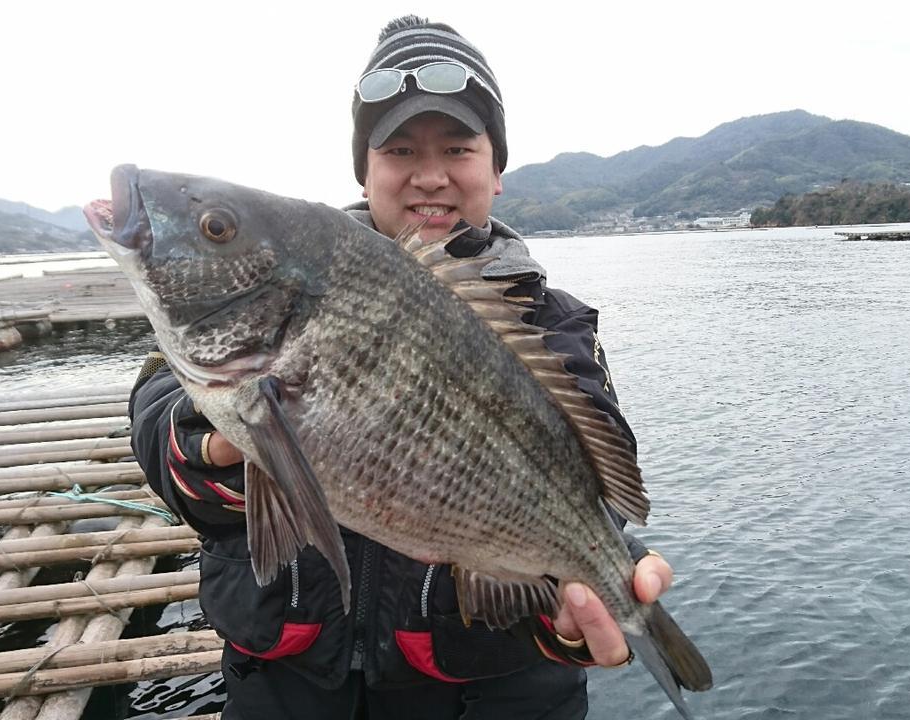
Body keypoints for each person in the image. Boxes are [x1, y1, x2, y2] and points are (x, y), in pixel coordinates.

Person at [128, 15, 674, 720]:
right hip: (290, 695)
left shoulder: (556, 329)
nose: (429, 175)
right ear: (365, 167)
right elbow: (158, 423)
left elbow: (578, 492)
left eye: (458, 147)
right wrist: (218, 444)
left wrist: (570, 619)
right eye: (398, 149)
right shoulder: (289, 285)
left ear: (497, 170)